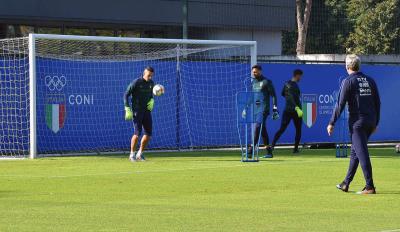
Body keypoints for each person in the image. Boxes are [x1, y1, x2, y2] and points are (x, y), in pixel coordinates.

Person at [327, 54, 380, 194]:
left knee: (362, 153)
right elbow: (377, 103)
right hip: (370, 122)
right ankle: (346, 183)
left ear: (347, 66)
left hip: (357, 123)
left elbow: (340, 104)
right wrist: (376, 122)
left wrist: (331, 122)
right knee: (355, 152)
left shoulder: (348, 81)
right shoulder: (370, 80)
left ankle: (370, 186)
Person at [246, 65, 279, 158]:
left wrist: (275, 109)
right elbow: (252, 97)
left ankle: (251, 150)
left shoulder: (266, 82)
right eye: (253, 72)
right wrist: (246, 107)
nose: (254, 73)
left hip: (264, 109)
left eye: (255, 71)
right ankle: (269, 152)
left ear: (260, 71)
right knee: (262, 130)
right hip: (256, 110)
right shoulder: (253, 82)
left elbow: (274, 96)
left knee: (257, 126)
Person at [124, 66, 156, 162]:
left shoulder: (151, 83)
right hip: (137, 111)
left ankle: (140, 153)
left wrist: (152, 100)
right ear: (144, 73)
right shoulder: (137, 82)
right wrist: (127, 108)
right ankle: (131, 154)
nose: (150, 77)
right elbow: (126, 94)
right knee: (137, 134)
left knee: (148, 134)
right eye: (149, 75)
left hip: (147, 111)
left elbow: (151, 95)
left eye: (152, 76)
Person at [271, 69, 304, 154]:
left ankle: (295, 149)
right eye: (300, 76)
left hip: (291, 110)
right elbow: (290, 97)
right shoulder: (291, 85)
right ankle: (272, 146)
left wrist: (292, 102)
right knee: (287, 129)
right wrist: (296, 107)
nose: (301, 78)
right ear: (297, 75)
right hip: (294, 110)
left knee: (296, 130)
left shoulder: (287, 84)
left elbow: (283, 94)